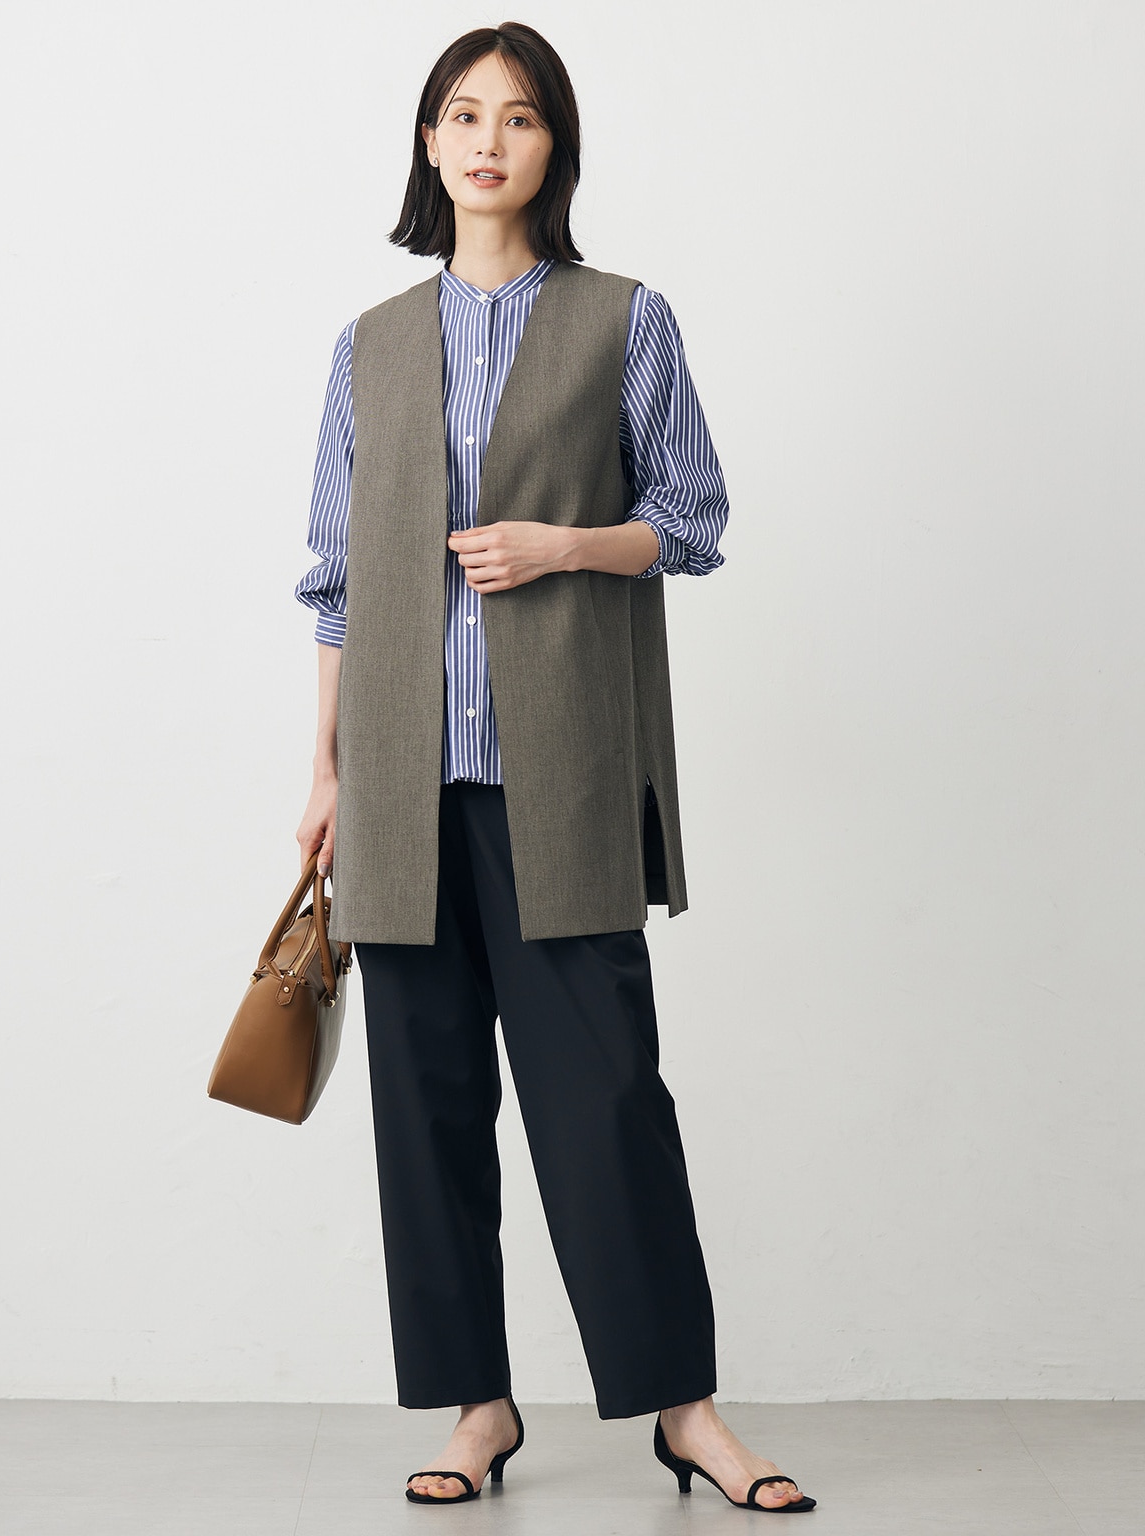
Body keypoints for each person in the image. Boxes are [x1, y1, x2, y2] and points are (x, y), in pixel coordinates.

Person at [292, 20, 816, 1515]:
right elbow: (335, 582)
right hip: (400, 792)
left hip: (565, 779)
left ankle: (684, 1409)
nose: (487, 141)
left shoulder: (624, 321)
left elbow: (693, 519)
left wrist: (564, 545)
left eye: (517, 118)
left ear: (554, 148)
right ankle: (478, 1407)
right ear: (428, 142)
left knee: (606, 1104)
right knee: (428, 1113)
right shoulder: (369, 346)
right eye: (462, 115)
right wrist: (325, 774)